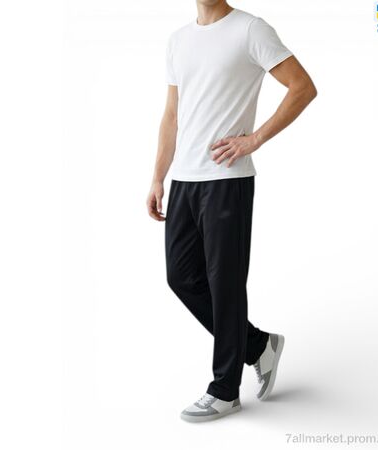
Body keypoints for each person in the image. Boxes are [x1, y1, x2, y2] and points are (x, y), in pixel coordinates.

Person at [146, 0, 317, 422]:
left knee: (225, 286)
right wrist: (158, 177)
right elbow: (172, 115)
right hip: (184, 180)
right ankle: (258, 346)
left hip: (227, 179)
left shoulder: (250, 30)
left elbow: (302, 87)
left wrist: (254, 139)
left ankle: (225, 390)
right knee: (181, 277)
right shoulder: (178, 40)